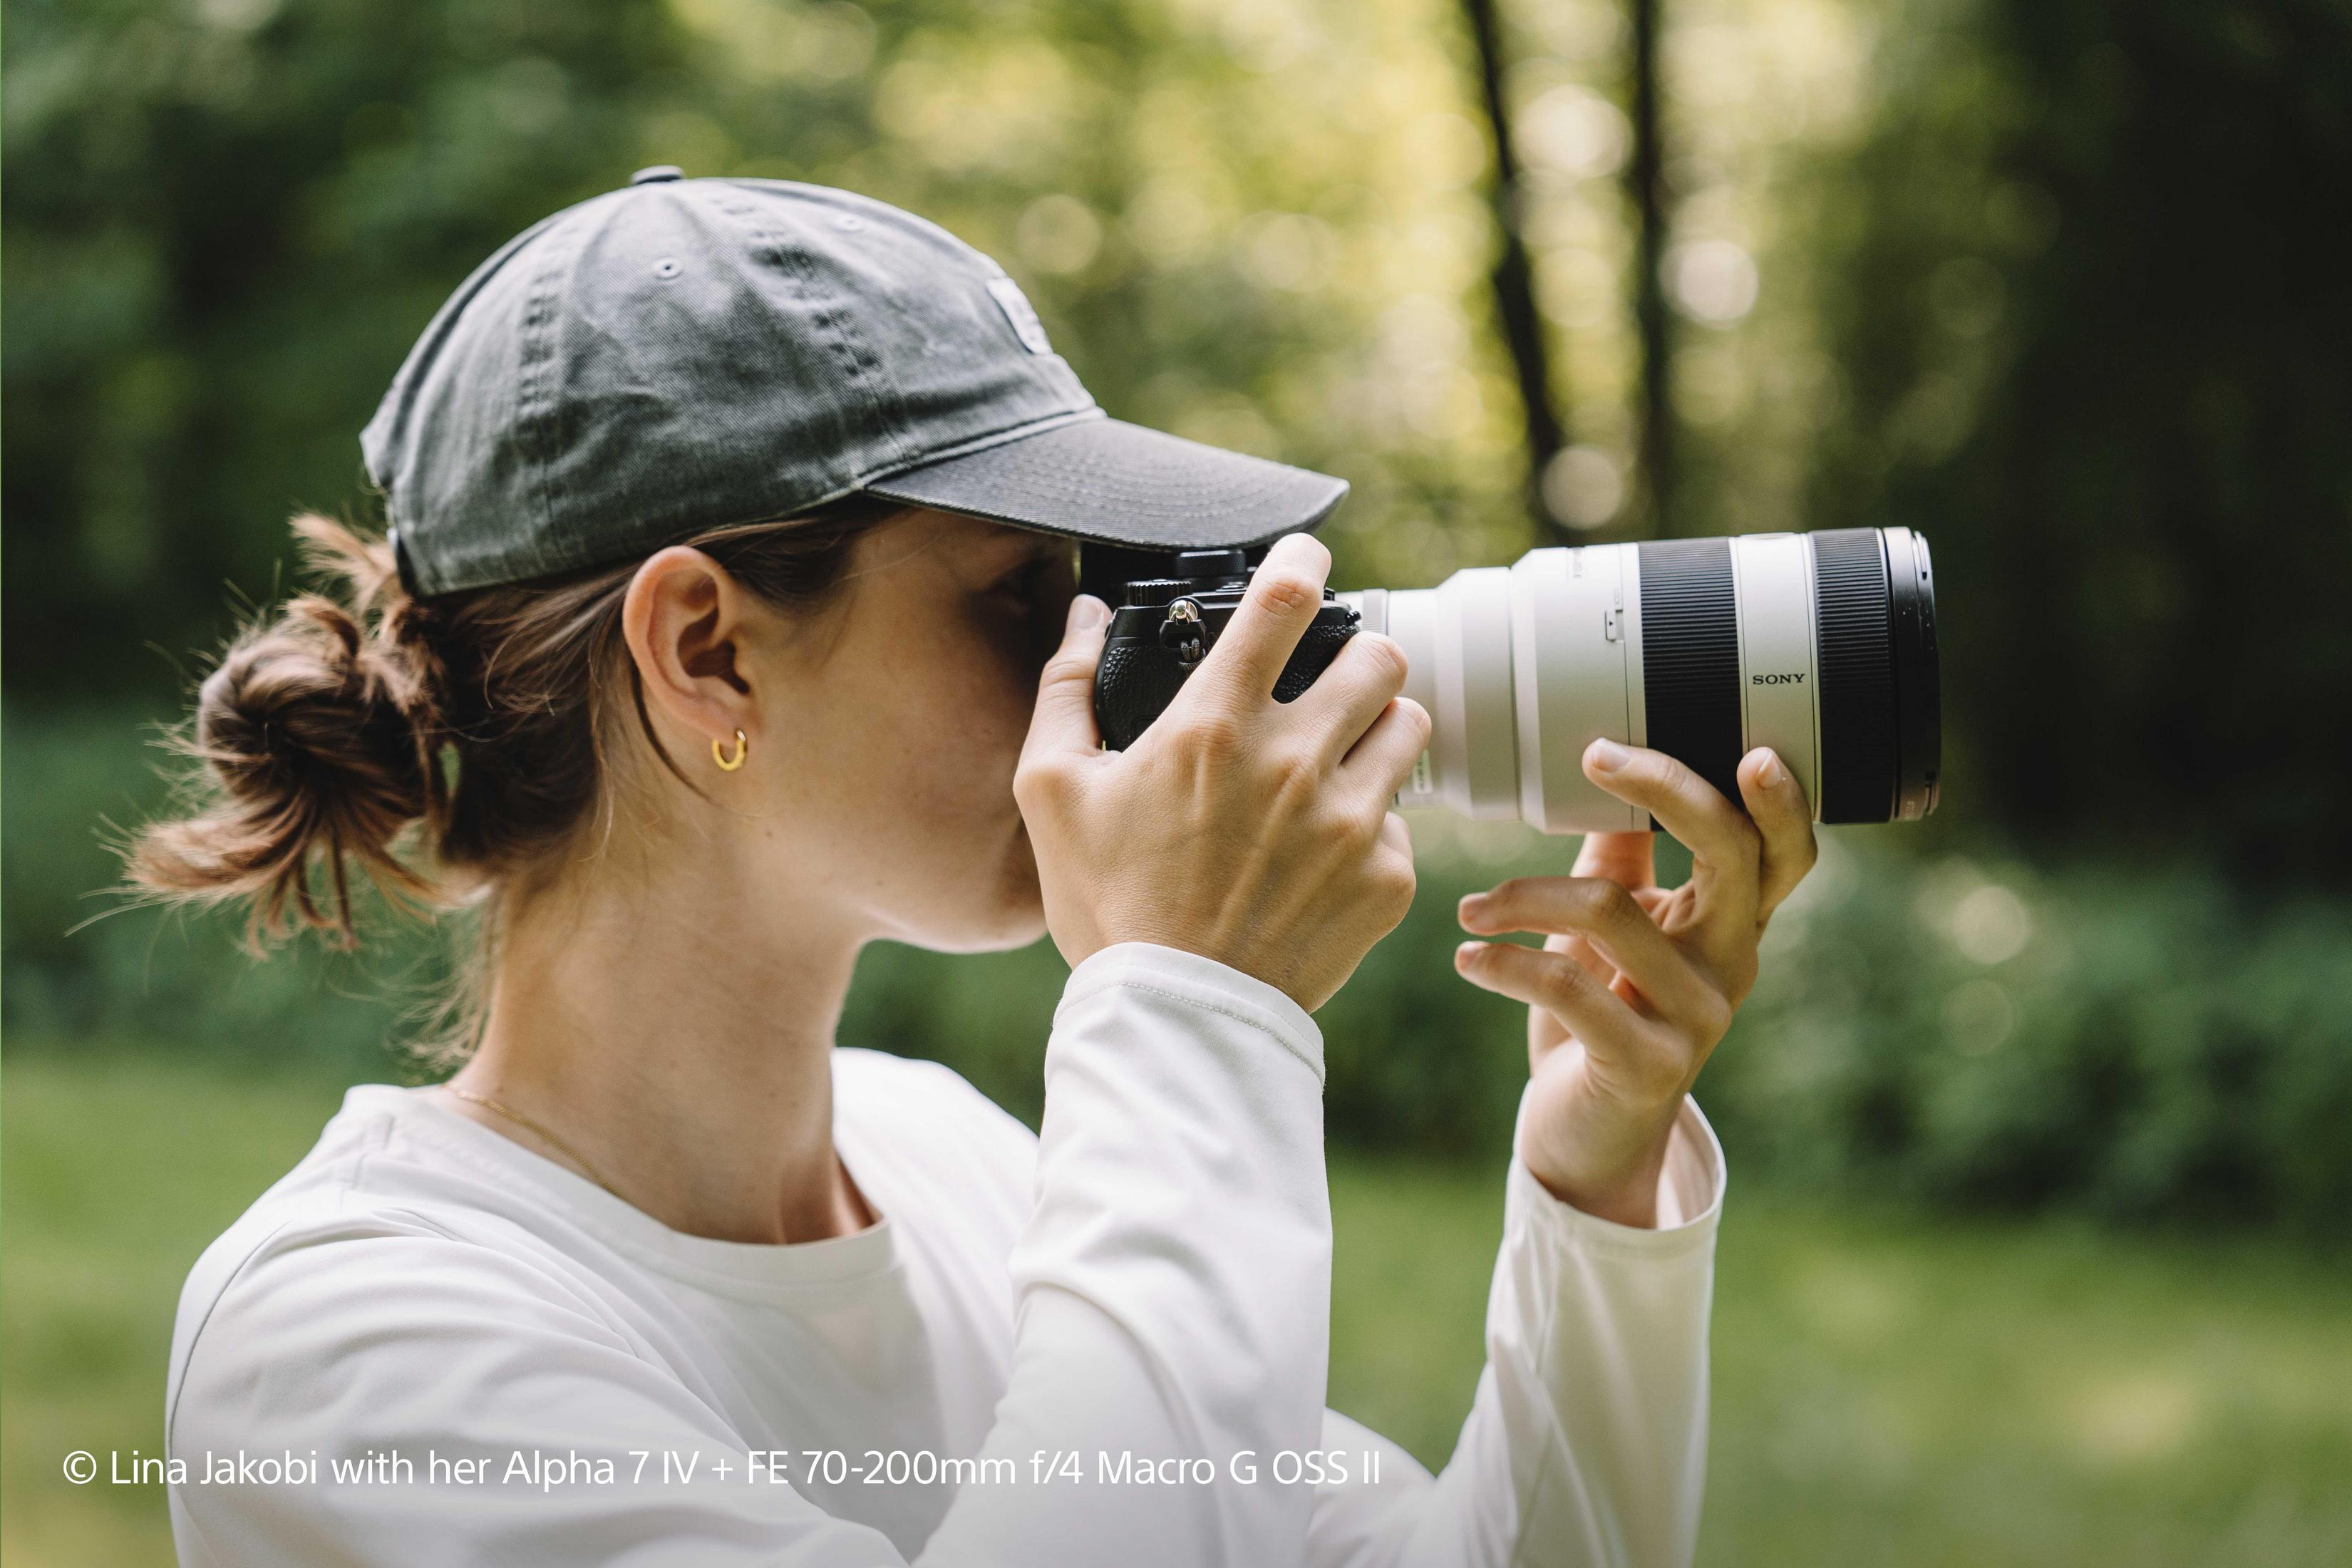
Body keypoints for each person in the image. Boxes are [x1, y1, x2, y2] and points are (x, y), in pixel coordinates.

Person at [134, 170, 1817, 1568]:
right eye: (1022, 594)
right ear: (708, 647)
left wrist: (1597, 1183)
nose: (1101, 660)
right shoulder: (348, 1347)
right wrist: (1194, 1010)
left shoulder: (952, 1160)